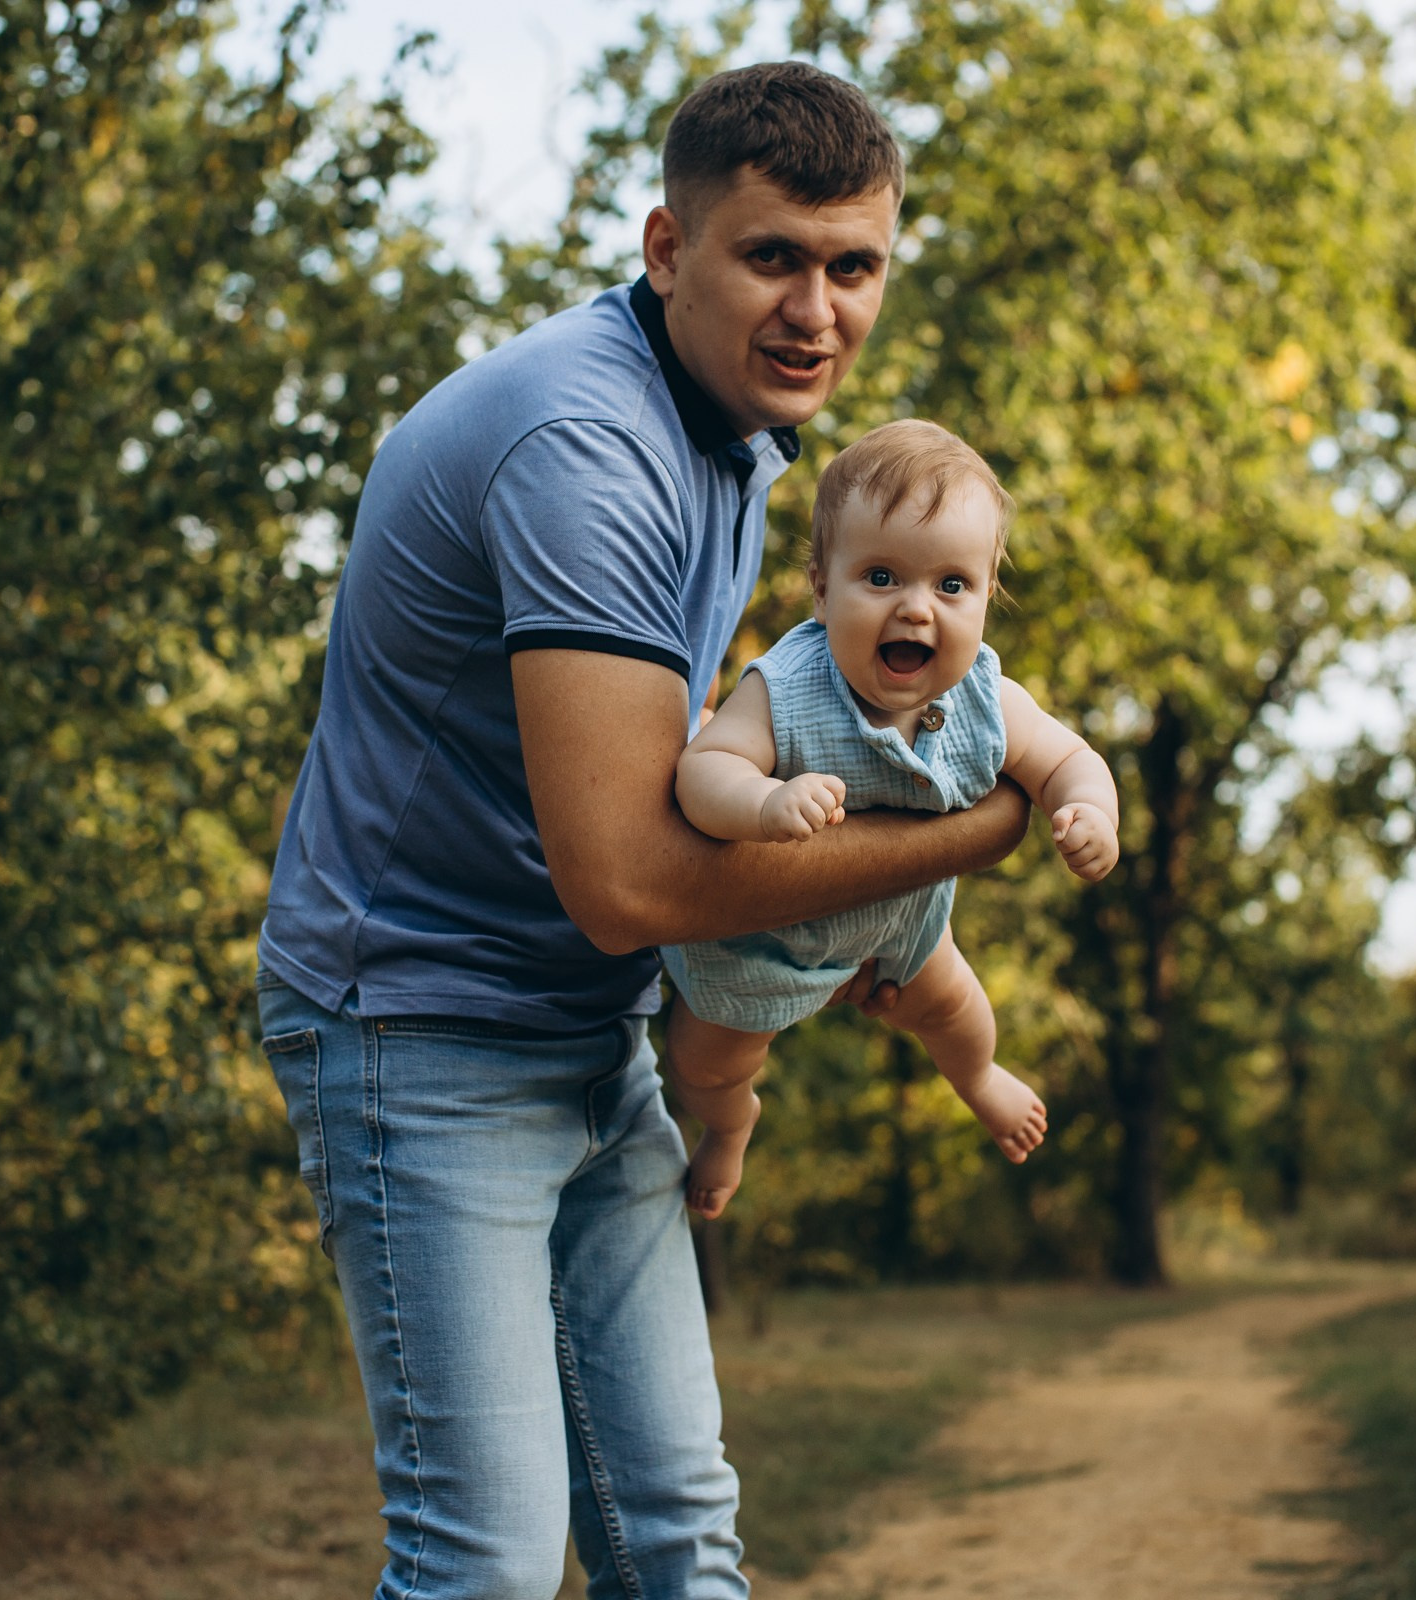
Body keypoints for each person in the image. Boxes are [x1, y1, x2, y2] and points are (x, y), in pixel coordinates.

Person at [255, 62, 1029, 1600]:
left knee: (675, 1537)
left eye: (852, 265)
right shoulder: (587, 448)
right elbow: (624, 880)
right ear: (670, 249)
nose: (817, 309)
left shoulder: (735, 433)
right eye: (772, 259)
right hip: (418, 1027)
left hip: (587, 1032)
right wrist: (971, 834)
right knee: (480, 1561)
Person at [661, 419, 1121, 1219]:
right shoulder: (786, 688)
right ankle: (734, 1128)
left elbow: (1069, 759)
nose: (917, 610)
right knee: (702, 1069)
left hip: (902, 927)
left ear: (987, 596)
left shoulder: (985, 694)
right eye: (881, 577)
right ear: (820, 586)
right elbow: (703, 771)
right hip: (760, 941)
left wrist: (1090, 811)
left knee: (958, 1011)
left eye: (952, 586)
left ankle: (976, 1079)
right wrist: (764, 800)